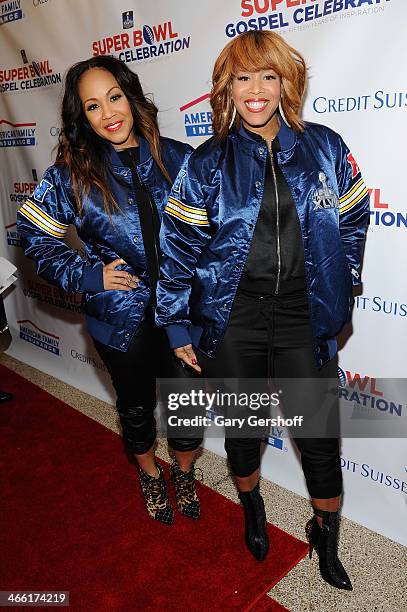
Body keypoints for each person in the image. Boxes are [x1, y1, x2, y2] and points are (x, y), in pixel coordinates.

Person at [156, 30, 369, 588]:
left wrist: (344, 283)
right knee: (244, 428)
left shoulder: (324, 146)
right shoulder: (206, 162)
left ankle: (325, 530)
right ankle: (252, 507)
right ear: (226, 87)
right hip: (235, 322)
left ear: (286, 83)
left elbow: (353, 218)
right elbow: (178, 245)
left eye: (268, 76)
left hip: (305, 319)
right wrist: (178, 320)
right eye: (243, 77)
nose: (256, 89)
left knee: (319, 438)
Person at [17, 55, 202, 525]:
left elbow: (216, 237)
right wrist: (87, 275)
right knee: (136, 407)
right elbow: (34, 236)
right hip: (119, 318)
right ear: (82, 117)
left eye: (114, 97)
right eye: (92, 106)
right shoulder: (71, 174)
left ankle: (183, 473)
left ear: (130, 96)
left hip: (183, 312)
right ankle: (149, 476)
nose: (108, 113)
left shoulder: (181, 159)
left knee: (189, 409)